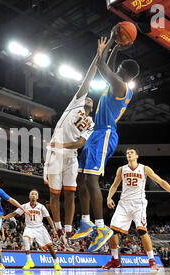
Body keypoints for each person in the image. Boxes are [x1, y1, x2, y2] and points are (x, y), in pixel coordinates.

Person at [72, 25, 140, 252]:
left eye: (120, 68)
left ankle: (101, 227)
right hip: (96, 132)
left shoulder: (121, 85)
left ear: (126, 74)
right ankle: (85, 222)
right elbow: (109, 65)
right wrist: (117, 50)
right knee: (80, 178)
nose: (117, 69)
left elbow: (102, 66)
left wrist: (111, 40)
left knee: (92, 180)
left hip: (106, 133)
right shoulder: (117, 82)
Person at [43, 37, 107, 240]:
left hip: (69, 155)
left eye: (90, 99)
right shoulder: (76, 102)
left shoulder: (92, 123)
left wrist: (62, 144)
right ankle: (59, 227)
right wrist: (98, 56)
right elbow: (89, 77)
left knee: (70, 193)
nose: (87, 97)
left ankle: (69, 231)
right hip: (55, 154)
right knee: (55, 194)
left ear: (92, 106)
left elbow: (81, 143)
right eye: (87, 96)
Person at [103, 148, 170, 270]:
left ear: (137, 156)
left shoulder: (145, 168)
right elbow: (114, 185)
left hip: (138, 204)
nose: (129, 154)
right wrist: (109, 198)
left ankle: (151, 260)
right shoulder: (122, 169)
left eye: (131, 153)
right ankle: (115, 260)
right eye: (127, 153)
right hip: (123, 203)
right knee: (113, 231)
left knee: (142, 231)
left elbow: (161, 181)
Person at [2, 190, 62, 271]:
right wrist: (5, 217)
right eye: (32, 194)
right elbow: (14, 213)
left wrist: (54, 229)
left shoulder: (41, 207)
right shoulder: (25, 206)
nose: (33, 195)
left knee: (50, 247)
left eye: (35, 194)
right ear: (29, 196)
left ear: (37, 197)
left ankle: (56, 263)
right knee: (25, 239)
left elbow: (49, 218)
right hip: (29, 228)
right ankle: (29, 261)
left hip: (40, 228)